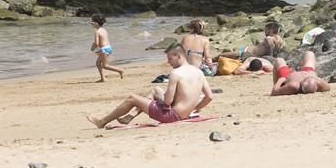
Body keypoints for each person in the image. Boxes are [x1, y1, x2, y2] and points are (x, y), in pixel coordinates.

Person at [86, 44, 214, 128]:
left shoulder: (176, 73)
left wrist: (160, 100)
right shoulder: (198, 71)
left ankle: (101, 122)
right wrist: (194, 108)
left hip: (172, 116)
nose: (168, 62)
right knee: (155, 90)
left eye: (170, 59)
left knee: (132, 98)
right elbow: (209, 97)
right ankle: (130, 117)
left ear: (179, 56)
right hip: (185, 114)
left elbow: (168, 102)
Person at [219, 22, 285, 60]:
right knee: (231, 53)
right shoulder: (280, 40)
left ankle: (212, 60)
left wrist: (270, 57)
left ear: (270, 30)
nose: (264, 32)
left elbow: (270, 45)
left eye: (266, 30)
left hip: (248, 51)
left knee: (222, 55)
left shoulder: (269, 38)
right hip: (248, 50)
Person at [90, 13, 124, 82]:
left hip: (103, 49)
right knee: (98, 63)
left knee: (105, 66)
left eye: (92, 22)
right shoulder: (103, 30)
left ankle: (120, 70)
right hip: (108, 48)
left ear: (96, 23)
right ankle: (103, 78)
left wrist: (92, 47)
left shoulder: (97, 31)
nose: (91, 24)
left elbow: (96, 43)